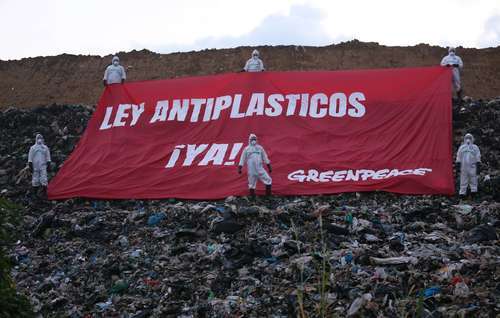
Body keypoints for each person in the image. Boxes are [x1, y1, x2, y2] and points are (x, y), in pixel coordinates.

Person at [238, 134, 272, 198]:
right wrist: (240, 168)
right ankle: (252, 198)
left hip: (260, 169)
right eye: (252, 139)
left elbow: (265, 157)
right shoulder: (246, 149)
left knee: (268, 180)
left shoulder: (260, 148)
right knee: (251, 184)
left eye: (254, 139)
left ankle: (268, 196)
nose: (253, 140)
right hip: (251, 170)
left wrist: (269, 166)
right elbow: (242, 159)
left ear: (256, 140)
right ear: (249, 140)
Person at [456, 133, 481, 198]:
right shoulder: (462, 147)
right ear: (464, 139)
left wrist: (478, 165)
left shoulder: (475, 147)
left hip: (473, 166)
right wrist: (458, 165)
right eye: (467, 138)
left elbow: (478, 156)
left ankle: (474, 193)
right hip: (463, 167)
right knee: (463, 180)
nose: (468, 139)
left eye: (470, 138)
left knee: (473, 180)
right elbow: (458, 156)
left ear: (472, 139)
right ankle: (462, 194)